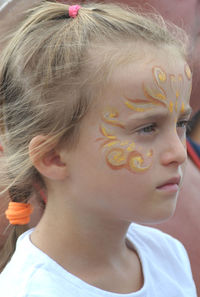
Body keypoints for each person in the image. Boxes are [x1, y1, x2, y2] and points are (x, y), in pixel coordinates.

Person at [0, 1, 197, 296]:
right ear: (52, 156)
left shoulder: (167, 254)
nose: (179, 153)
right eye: (147, 128)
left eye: (181, 123)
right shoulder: (31, 290)